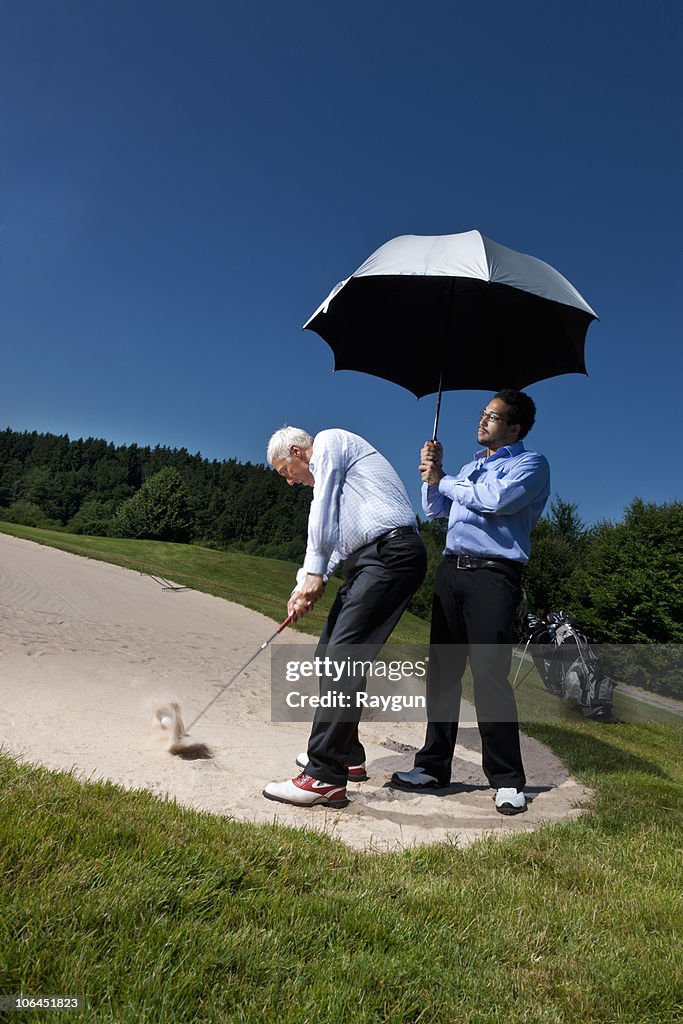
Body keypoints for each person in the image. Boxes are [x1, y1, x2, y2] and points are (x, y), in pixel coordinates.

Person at [390, 389, 550, 815]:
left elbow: (496, 502)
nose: (482, 421)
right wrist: (433, 472)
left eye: (492, 417)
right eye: (483, 414)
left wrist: (444, 479)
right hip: (451, 571)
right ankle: (433, 766)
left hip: (494, 576)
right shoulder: (469, 467)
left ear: (514, 428)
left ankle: (507, 779)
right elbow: (438, 510)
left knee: (489, 674)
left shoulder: (529, 465)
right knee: (442, 672)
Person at [263, 426, 427, 808]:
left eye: (285, 471)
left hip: (391, 553)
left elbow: (321, 508)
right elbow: (334, 542)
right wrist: (301, 589)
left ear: (296, 451)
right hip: (369, 559)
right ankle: (347, 756)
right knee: (328, 656)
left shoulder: (332, 441)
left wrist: (316, 574)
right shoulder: (337, 483)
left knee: (342, 658)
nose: (289, 482)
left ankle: (323, 776)